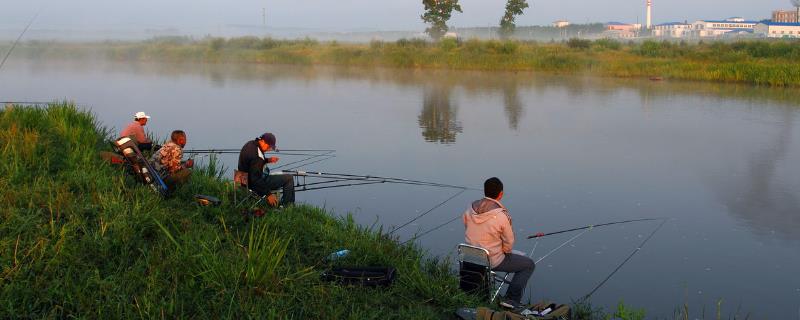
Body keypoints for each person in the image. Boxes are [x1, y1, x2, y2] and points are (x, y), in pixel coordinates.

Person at [463, 177, 535, 309]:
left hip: (470, 257)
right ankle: (511, 300)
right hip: (491, 260)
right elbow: (509, 243)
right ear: (500, 194)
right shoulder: (502, 216)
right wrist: (505, 250)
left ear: (484, 191)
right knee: (528, 264)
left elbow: (466, 225)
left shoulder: (470, 208)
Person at [238, 132, 295, 207]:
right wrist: (268, 194)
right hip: (254, 185)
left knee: (283, 177)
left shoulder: (251, 144)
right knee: (289, 178)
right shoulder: (258, 157)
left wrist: (268, 160)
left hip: (243, 180)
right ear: (263, 141)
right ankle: (287, 207)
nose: (269, 149)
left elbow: (252, 162)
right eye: (269, 147)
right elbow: (255, 180)